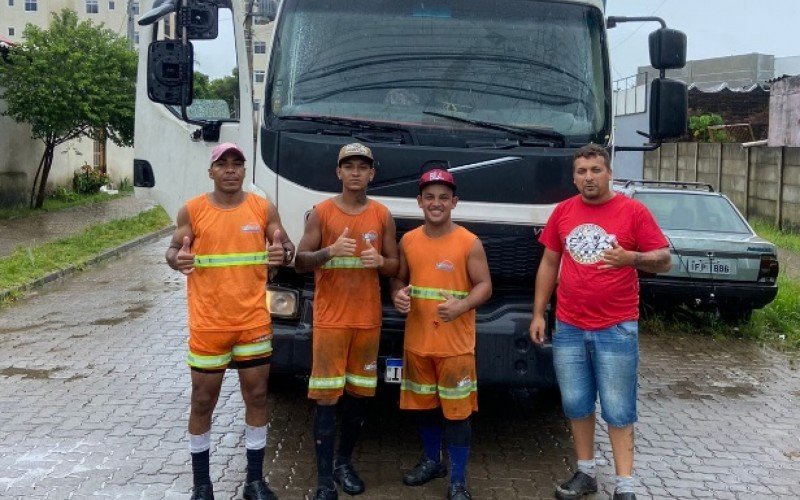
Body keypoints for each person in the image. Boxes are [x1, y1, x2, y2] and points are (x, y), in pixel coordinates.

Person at [529, 144, 671, 500]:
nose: (588, 177)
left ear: (609, 173)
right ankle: (586, 472)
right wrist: (538, 313)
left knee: (619, 407)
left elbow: (664, 259)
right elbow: (549, 263)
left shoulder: (633, 211)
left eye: (595, 170)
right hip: (570, 327)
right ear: (574, 177)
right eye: (581, 171)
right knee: (576, 403)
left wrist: (632, 258)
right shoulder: (563, 212)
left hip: (616, 328)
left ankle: (625, 486)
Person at [166, 142, 295, 500]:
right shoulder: (192, 210)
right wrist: (177, 259)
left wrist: (283, 253)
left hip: (252, 323)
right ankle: (202, 486)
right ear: (211, 171)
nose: (230, 170)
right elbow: (173, 250)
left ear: (244, 170)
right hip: (208, 325)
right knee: (202, 401)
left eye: (237, 164)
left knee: (256, 396)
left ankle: (254, 481)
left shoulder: (261, 207)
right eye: (222, 164)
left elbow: (287, 248)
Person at [294, 143, 399, 500]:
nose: (355, 172)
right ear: (338, 172)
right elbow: (298, 261)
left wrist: (380, 263)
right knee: (326, 400)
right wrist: (329, 252)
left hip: (367, 322)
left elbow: (396, 264)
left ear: (372, 173)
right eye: (348, 166)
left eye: (362, 167)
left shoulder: (382, 214)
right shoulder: (321, 213)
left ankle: (343, 463)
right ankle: (324, 482)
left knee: (358, 398)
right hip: (331, 323)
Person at [390, 169, 492, 500]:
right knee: (422, 407)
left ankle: (458, 480)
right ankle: (432, 460)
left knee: (457, 415)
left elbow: (485, 286)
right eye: (430, 197)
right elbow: (398, 279)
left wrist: (461, 307)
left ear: (455, 202)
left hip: (455, 347)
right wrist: (397, 295)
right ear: (419, 202)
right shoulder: (408, 240)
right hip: (418, 343)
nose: (436, 204)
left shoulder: (469, 242)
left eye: (444, 198)